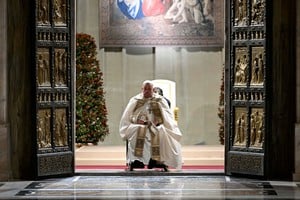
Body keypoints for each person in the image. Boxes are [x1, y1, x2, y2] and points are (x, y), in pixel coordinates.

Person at [119, 80, 182, 171]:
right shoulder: (136, 100)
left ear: (153, 90)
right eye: (145, 89)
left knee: (161, 131)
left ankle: (157, 160)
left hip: (156, 126)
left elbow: (167, 117)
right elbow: (128, 117)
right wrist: (136, 120)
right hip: (139, 125)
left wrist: (159, 120)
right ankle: (137, 160)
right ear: (142, 89)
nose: (147, 91)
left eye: (149, 89)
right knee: (136, 129)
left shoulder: (160, 100)